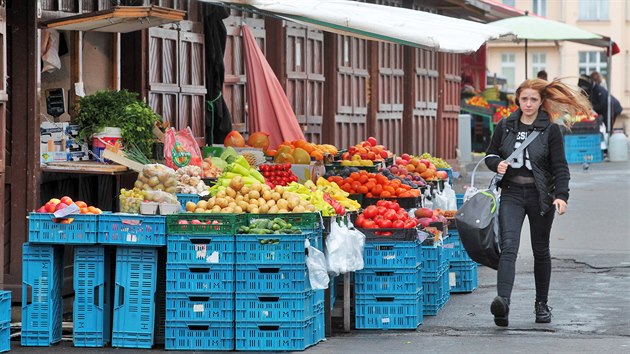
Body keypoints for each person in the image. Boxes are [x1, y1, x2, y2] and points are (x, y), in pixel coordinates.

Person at [485, 78, 591, 327]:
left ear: (542, 101)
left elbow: (559, 168)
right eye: (524, 99)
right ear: (518, 100)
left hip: (540, 196)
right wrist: (495, 163)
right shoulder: (505, 125)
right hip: (511, 192)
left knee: (540, 250)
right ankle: (503, 303)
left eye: (534, 99)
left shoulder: (551, 130)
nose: (529, 104)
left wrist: (561, 196)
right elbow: (491, 153)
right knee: (509, 248)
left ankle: (541, 305)